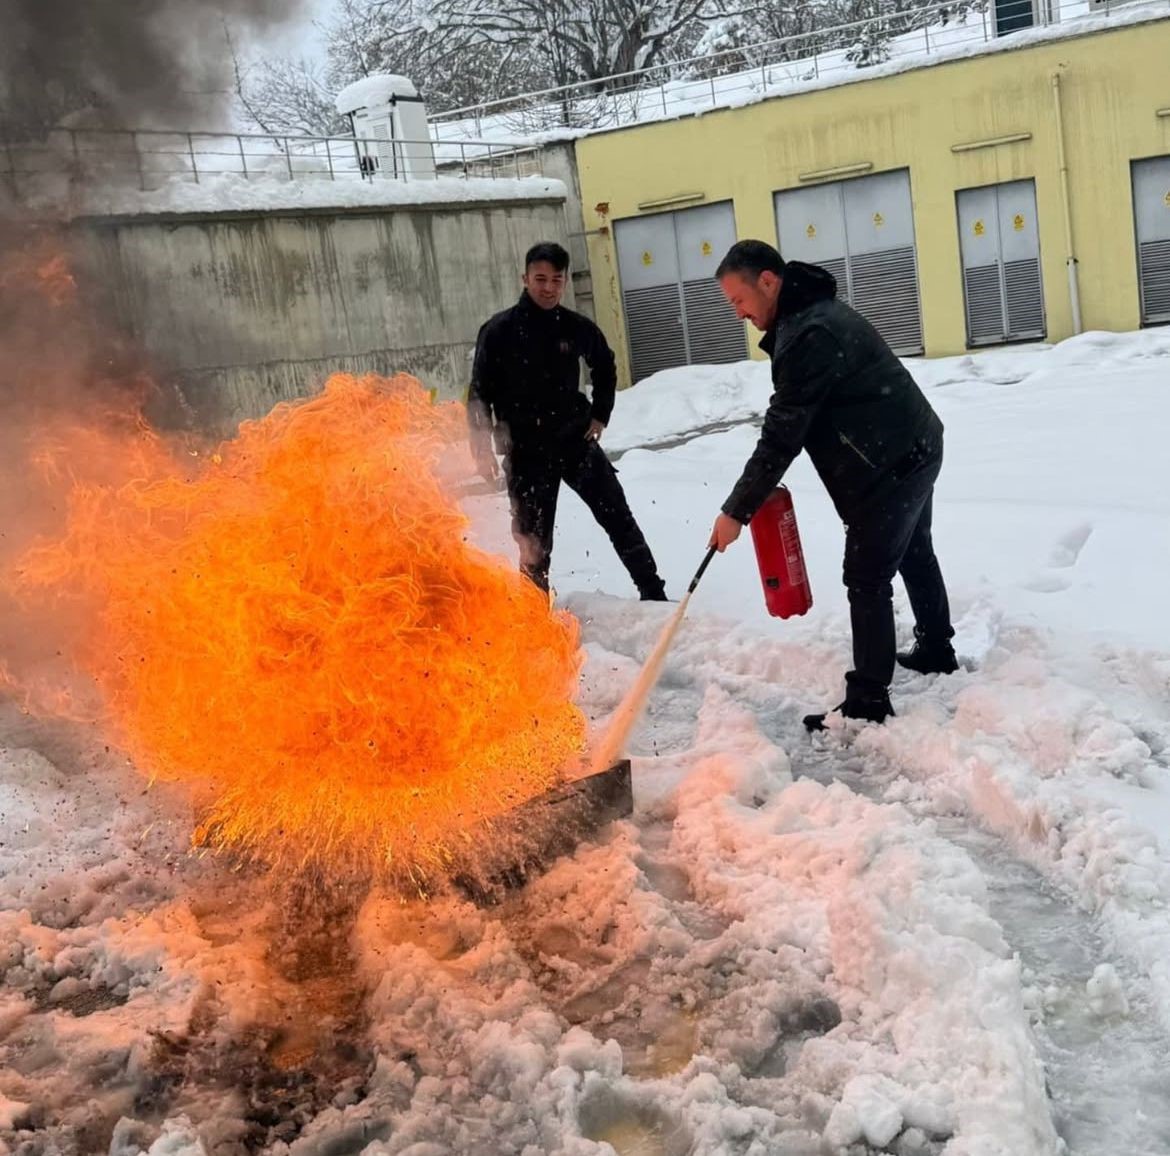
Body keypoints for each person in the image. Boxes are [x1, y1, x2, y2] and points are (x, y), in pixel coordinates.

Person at [706, 239, 957, 731]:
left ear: (768, 282)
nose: (738, 313)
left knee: (866, 577)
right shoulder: (809, 316)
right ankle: (936, 649)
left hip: (892, 464)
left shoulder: (809, 335)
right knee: (913, 550)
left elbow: (782, 436)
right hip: (913, 444)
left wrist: (736, 512)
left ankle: (868, 701)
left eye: (739, 300)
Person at [468, 241, 668, 601]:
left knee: (618, 517)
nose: (548, 288)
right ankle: (535, 616)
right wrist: (480, 447)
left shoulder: (574, 327)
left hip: (575, 442)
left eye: (556, 280)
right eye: (540, 279)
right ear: (525, 278)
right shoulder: (499, 331)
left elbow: (604, 364)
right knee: (534, 543)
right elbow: (479, 392)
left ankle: (654, 593)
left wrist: (600, 414)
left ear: (564, 282)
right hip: (526, 452)